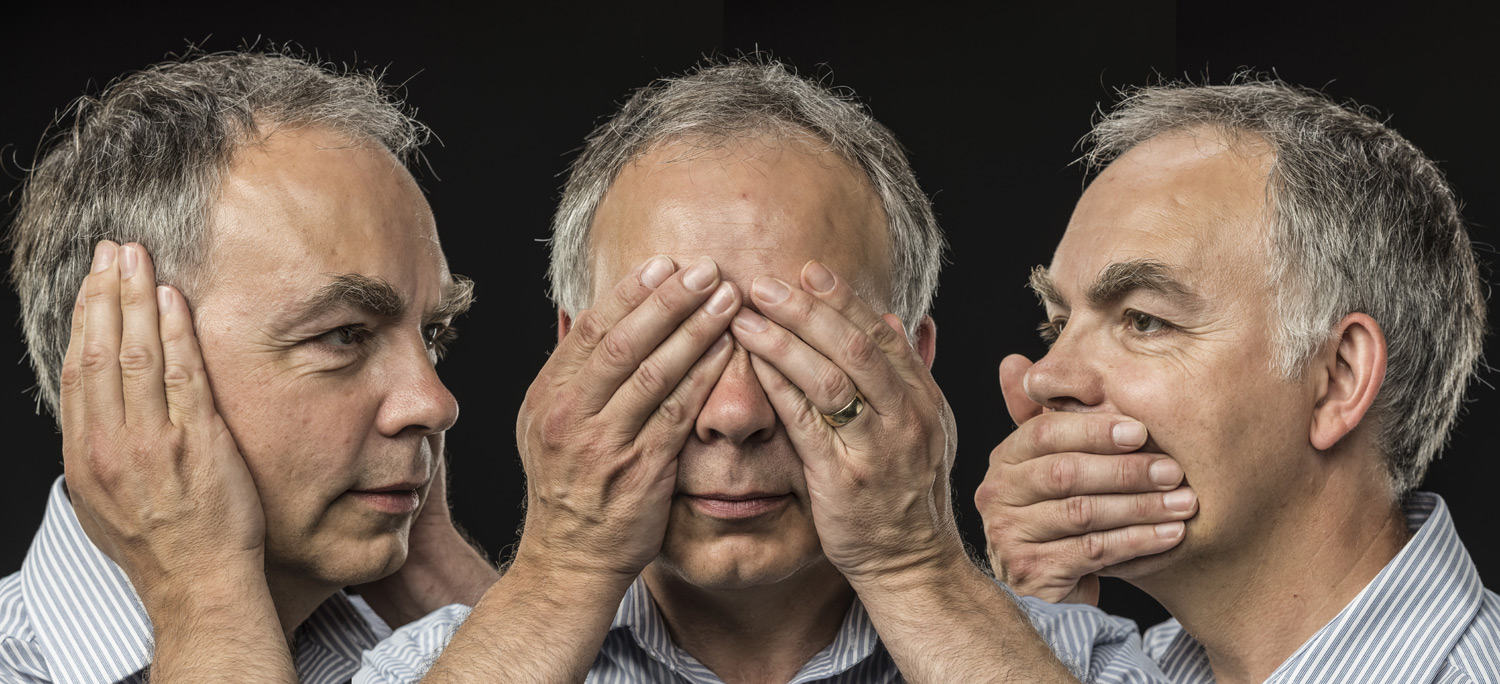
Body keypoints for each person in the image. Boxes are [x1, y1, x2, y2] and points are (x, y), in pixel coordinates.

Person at [358, 58, 1163, 684]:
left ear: (911, 366)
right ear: (574, 360)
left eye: (793, 345)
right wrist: (564, 571)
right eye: (677, 345)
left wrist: (913, 568)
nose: (734, 415)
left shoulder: (1088, 660)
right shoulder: (414, 666)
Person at [976, 79, 1500, 682]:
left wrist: (915, 571)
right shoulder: (1109, 661)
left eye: (1144, 320)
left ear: (1338, 380)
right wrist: (1038, 627)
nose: (1045, 378)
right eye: (1057, 326)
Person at [1, 50, 497, 681]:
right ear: (131, 362)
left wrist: (436, 572)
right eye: (344, 335)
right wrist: (204, 601)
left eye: (433, 334)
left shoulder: (419, 653)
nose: (435, 403)